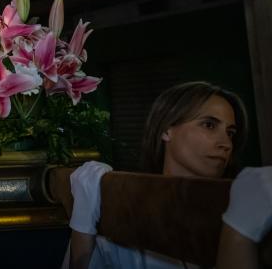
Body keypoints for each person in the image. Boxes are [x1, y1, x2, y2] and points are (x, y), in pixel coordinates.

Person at [66, 81, 250, 269]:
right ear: (166, 130)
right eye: (209, 125)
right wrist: (83, 219)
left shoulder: (242, 209)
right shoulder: (121, 210)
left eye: (230, 133)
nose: (225, 143)